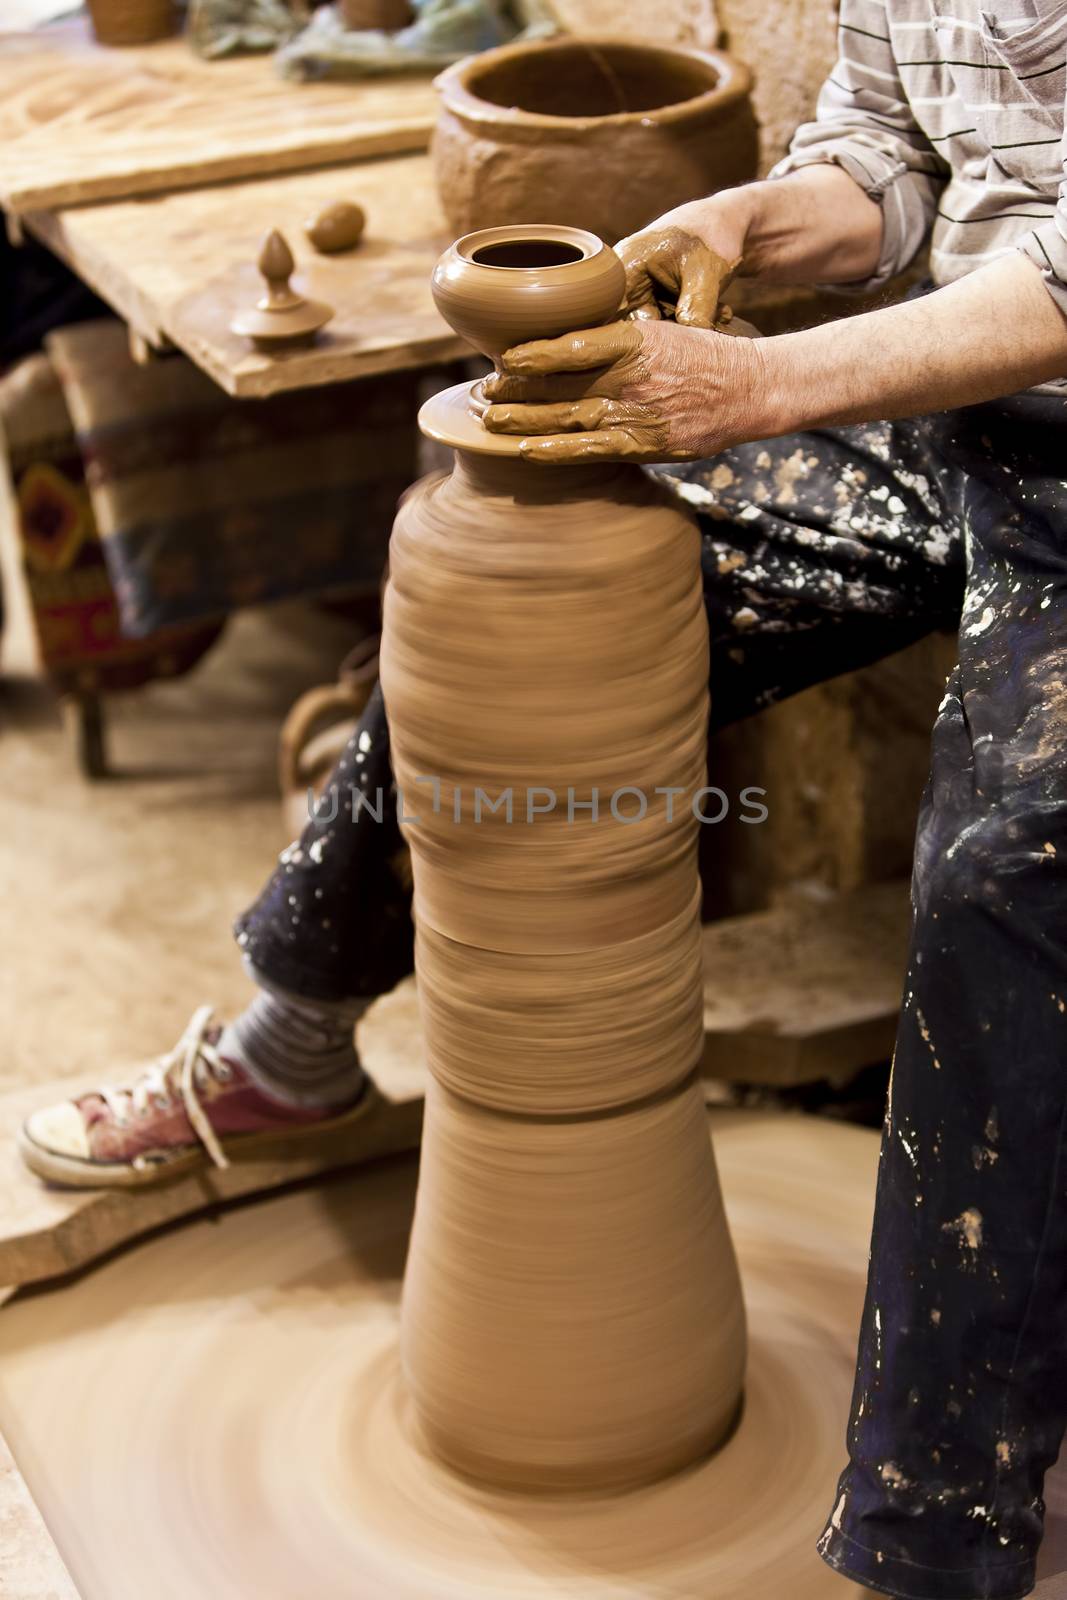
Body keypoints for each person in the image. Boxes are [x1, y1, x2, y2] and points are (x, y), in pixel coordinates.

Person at [20, 2, 1067, 1594]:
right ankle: (291, 1048)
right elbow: (893, 157)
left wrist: (756, 385)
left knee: (1005, 866)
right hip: (966, 408)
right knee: (514, 588)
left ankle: (933, 1533)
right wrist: (741, 219)